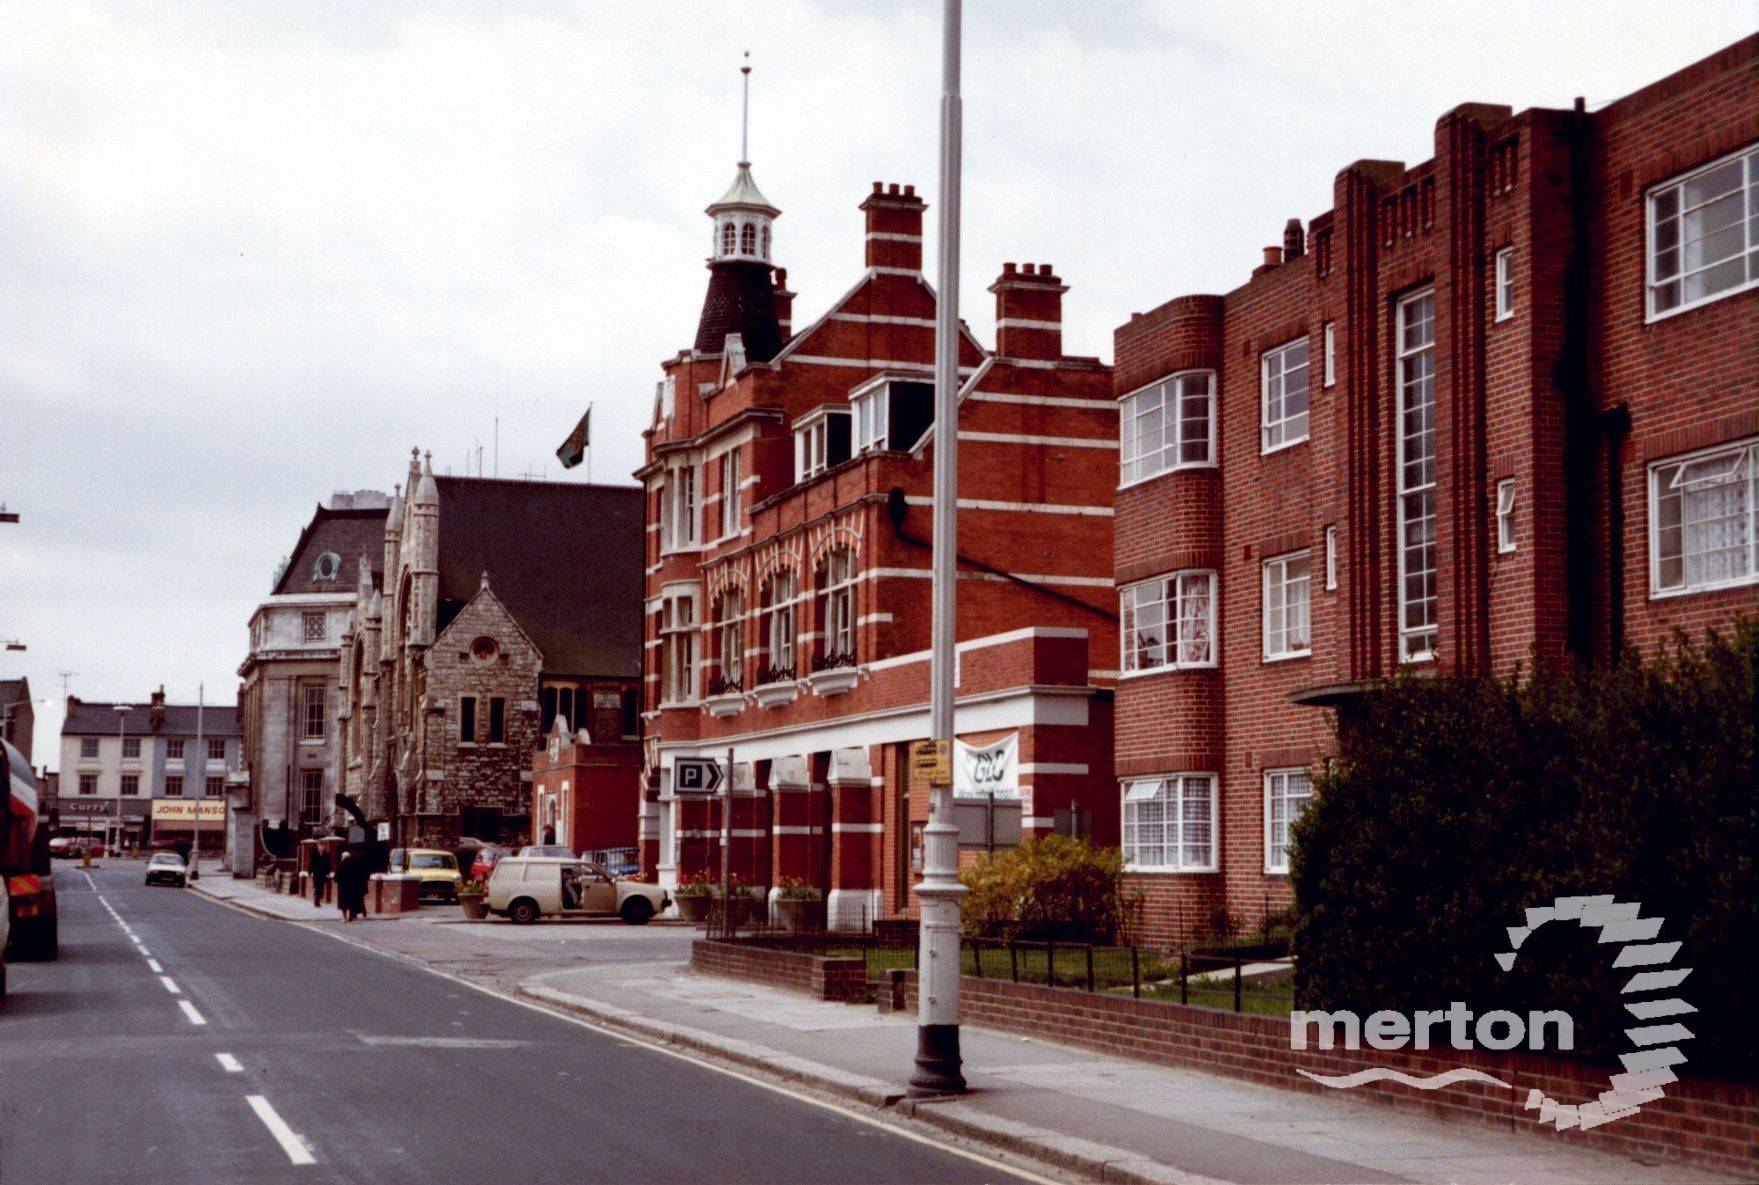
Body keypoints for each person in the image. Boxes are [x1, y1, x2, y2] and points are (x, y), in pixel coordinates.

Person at [310, 844, 331, 908]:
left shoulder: (326, 855)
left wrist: (328, 872)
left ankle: (317, 898)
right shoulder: (314, 855)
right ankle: (317, 901)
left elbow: (328, 864)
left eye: (322, 847)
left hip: (323, 874)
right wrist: (310, 872)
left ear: (324, 848)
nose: (321, 848)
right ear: (318, 848)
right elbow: (311, 863)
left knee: (320, 887)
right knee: (317, 886)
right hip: (316, 873)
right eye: (320, 847)